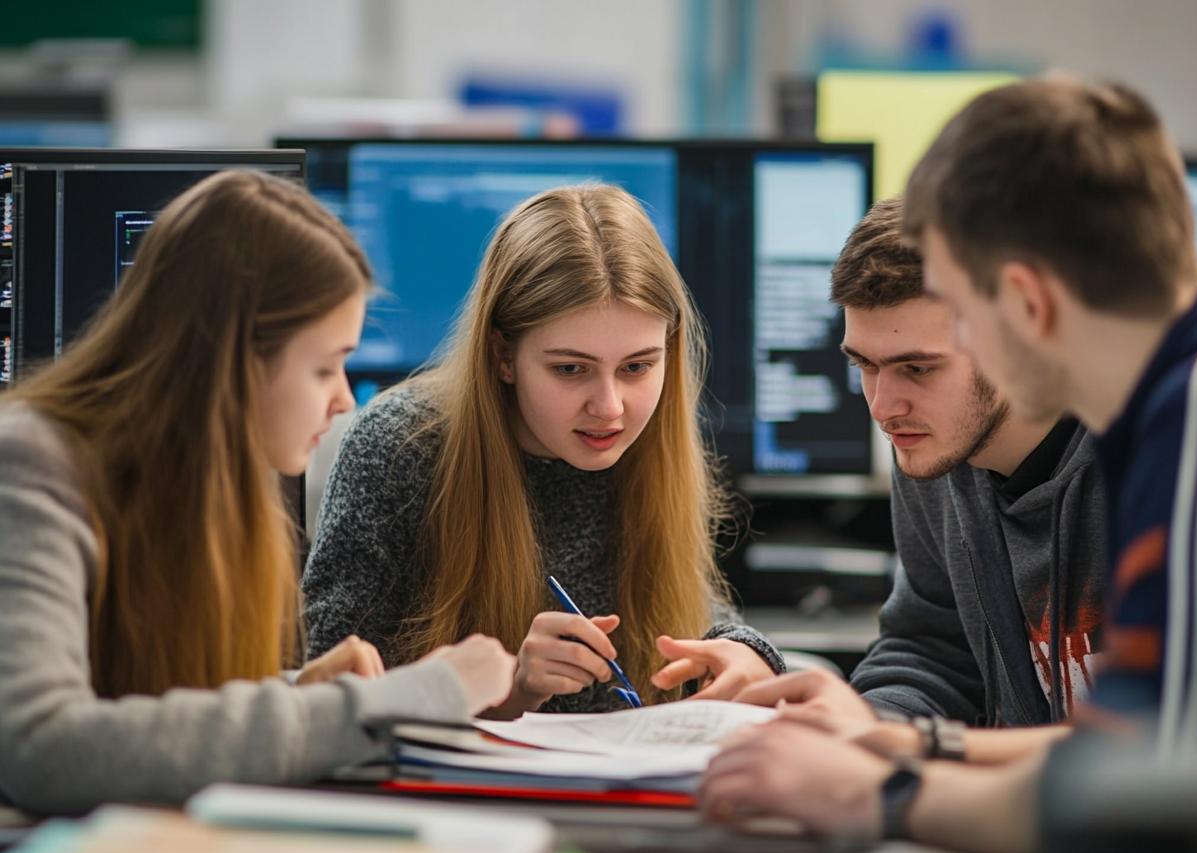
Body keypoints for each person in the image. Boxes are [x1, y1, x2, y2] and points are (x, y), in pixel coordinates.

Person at [701, 75, 1197, 853]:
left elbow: (1143, 793)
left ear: (1023, 300)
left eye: (961, 307)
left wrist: (887, 788)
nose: (885, 404)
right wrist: (897, 744)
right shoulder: (1164, 405)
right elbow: (1131, 746)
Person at [0, 170, 515, 816]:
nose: (339, 398)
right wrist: (411, 698)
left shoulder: (198, 487)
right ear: (234, 359)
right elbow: (48, 749)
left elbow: (150, 710)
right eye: (325, 366)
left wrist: (301, 696)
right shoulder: (31, 464)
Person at [303, 183, 785, 718]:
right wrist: (510, 690)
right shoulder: (400, 449)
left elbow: (691, 612)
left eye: (637, 367)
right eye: (570, 369)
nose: (610, 407)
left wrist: (744, 650)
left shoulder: (653, 441)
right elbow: (326, 693)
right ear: (503, 356)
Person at [735, 195, 1106, 769]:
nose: (884, 407)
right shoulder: (933, 445)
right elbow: (932, 650)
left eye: (918, 368)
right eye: (864, 365)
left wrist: (921, 747)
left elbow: (1179, 741)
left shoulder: (1165, 461)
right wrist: (861, 727)